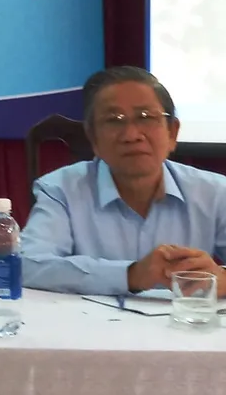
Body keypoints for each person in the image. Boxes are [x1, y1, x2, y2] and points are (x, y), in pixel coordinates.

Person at [22, 66, 226, 296]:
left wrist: (222, 280)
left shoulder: (215, 192)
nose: (131, 135)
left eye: (145, 117)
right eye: (114, 120)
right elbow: (27, 265)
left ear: (172, 133)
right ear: (93, 139)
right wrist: (131, 274)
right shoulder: (60, 190)